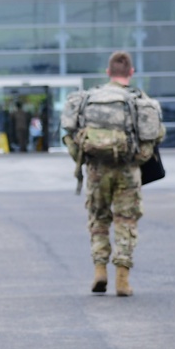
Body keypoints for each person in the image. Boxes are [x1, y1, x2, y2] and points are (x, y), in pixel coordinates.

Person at [63, 50, 164, 297]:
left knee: (98, 219)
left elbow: (69, 135)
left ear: (108, 73)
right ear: (130, 73)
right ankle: (122, 279)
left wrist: (84, 161)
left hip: (97, 170)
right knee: (126, 220)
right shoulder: (138, 100)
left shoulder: (87, 98)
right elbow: (153, 138)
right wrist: (134, 161)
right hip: (128, 171)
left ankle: (99, 270)